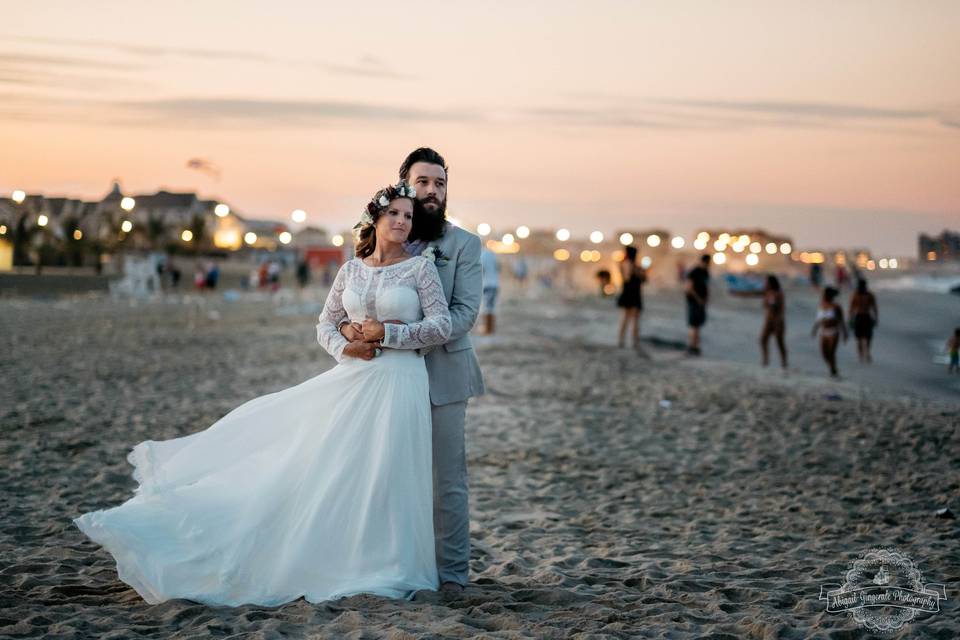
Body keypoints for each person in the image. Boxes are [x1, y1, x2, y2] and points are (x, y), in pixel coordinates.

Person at [72, 181, 452, 606]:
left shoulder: (421, 270)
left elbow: (441, 326)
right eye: (395, 214)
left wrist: (391, 332)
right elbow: (324, 324)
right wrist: (346, 344)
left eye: (408, 216)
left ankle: (387, 563)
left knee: (389, 473)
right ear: (377, 218)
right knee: (331, 469)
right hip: (354, 378)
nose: (402, 222)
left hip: (400, 382)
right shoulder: (351, 270)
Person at [339, 148, 483, 598]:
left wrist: (398, 336)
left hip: (441, 376)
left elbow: (463, 315)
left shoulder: (463, 245)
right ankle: (390, 564)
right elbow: (347, 304)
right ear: (404, 184)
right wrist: (349, 332)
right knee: (384, 473)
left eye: (440, 184)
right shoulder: (378, 242)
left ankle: (454, 575)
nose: (432, 191)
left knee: (446, 481)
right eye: (423, 182)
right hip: (382, 380)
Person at [811, 286, 848, 377]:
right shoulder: (821, 305)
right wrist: (814, 329)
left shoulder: (836, 307)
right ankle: (832, 368)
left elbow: (841, 320)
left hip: (833, 332)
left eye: (824, 294)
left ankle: (833, 371)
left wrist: (845, 333)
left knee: (831, 353)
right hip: (823, 332)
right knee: (824, 353)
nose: (823, 296)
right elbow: (818, 320)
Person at [616, 245, 646, 349]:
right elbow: (628, 277)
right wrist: (637, 270)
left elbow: (643, 279)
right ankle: (631, 341)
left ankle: (625, 340)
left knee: (629, 319)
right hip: (631, 294)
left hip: (631, 293)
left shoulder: (626, 264)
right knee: (631, 320)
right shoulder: (629, 265)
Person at [685, 254, 711, 355]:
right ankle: (692, 346)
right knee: (693, 325)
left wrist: (705, 299)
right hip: (693, 302)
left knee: (698, 325)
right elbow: (688, 288)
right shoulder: (694, 272)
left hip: (701, 303)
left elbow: (706, 286)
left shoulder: (705, 272)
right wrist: (698, 299)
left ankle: (695, 346)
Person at [760, 274, 787, 368]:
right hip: (769, 320)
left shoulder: (779, 293)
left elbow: (782, 308)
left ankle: (784, 362)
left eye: (767, 282)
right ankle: (765, 360)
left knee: (779, 342)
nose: (765, 283)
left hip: (777, 320)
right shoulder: (768, 293)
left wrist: (779, 319)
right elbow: (765, 305)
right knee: (763, 339)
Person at [849, 279, 878, 363]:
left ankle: (864, 354)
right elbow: (874, 307)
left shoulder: (857, 295)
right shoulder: (864, 295)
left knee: (864, 337)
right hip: (864, 316)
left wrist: (850, 319)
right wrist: (876, 318)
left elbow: (851, 309)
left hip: (862, 317)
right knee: (863, 337)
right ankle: (864, 354)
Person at [479, 246, 499, 335]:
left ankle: (487, 329)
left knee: (486, 307)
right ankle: (491, 328)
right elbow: (498, 268)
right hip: (495, 284)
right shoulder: (493, 255)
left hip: (487, 284)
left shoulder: (482, 255)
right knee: (491, 307)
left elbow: (481, 270)